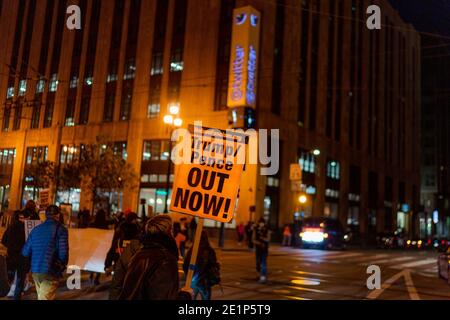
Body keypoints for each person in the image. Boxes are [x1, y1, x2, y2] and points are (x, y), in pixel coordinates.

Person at [116, 215, 180, 300]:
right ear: (169, 231)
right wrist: (185, 296)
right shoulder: (165, 259)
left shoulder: (139, 254)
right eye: (172, 230)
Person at [22, 205, 69, 300]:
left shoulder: (35, 230)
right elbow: (63, 253)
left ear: (46, 215)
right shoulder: (61, 229)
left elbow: (25, 252)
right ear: (58, 215)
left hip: (36, 271)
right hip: (50, 270)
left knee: (42, 297)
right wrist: (62, 265)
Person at [1, 210, 30, 300]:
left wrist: (10, 247)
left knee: (10, 275)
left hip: (11, 255)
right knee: (20, 278)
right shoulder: (27, 229)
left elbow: (3, 241)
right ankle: (16, 296)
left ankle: (9, 291)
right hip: (22, 256)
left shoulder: (11, 227)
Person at [183, 231, 219, 300]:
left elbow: (185, 265)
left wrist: (189, 276)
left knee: (191, 298)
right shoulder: (209, 251)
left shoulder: (191, 250)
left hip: (193, 280)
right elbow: (213, 265)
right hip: (204, 281)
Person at [89, 209, 110, 285]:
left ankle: (91, 274)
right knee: (100, 262)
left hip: (93, 245)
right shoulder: (105, 225)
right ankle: (97, 278)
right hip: (101, 246)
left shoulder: (92, 224)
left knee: (92, 260)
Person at [253, 218, 270, 283]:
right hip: (258, 249)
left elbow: (268, 239)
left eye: (262, 223)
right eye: (260, 222)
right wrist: (258, 243)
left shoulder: (267, 230)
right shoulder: (256, 229)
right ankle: (258, 275)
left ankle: (263, 276)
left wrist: (263, 238)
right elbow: (253, 239)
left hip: (264, 249)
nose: (261, 224)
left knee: (263, 263)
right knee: (258, 262)